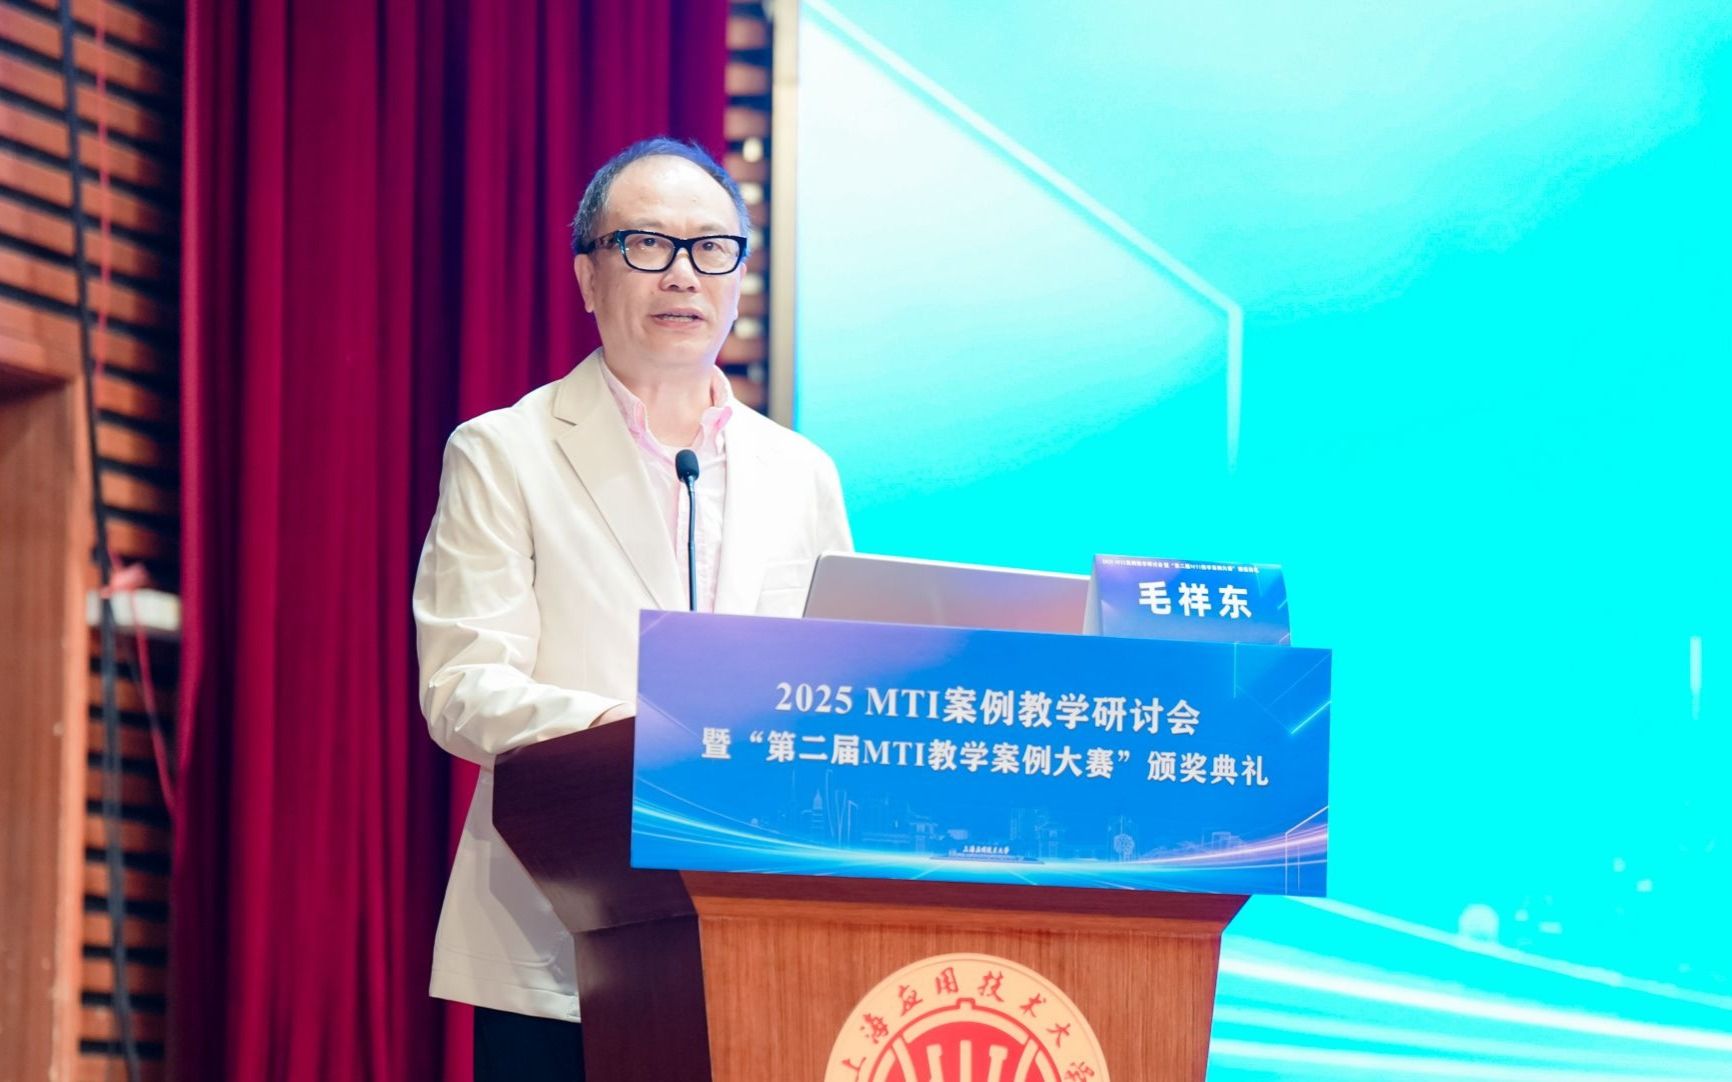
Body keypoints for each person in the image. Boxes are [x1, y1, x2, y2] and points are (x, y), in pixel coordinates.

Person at [412, 137, 852, 1081]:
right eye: (647, 244)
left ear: (739, 276)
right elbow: (463, 687)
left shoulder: (802, 473)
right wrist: (646, 736)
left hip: (757, 927)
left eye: (711, 248)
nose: (683, 273)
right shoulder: (503, 451)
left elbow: (829, 686)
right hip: (561, 930)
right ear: (589, 275)